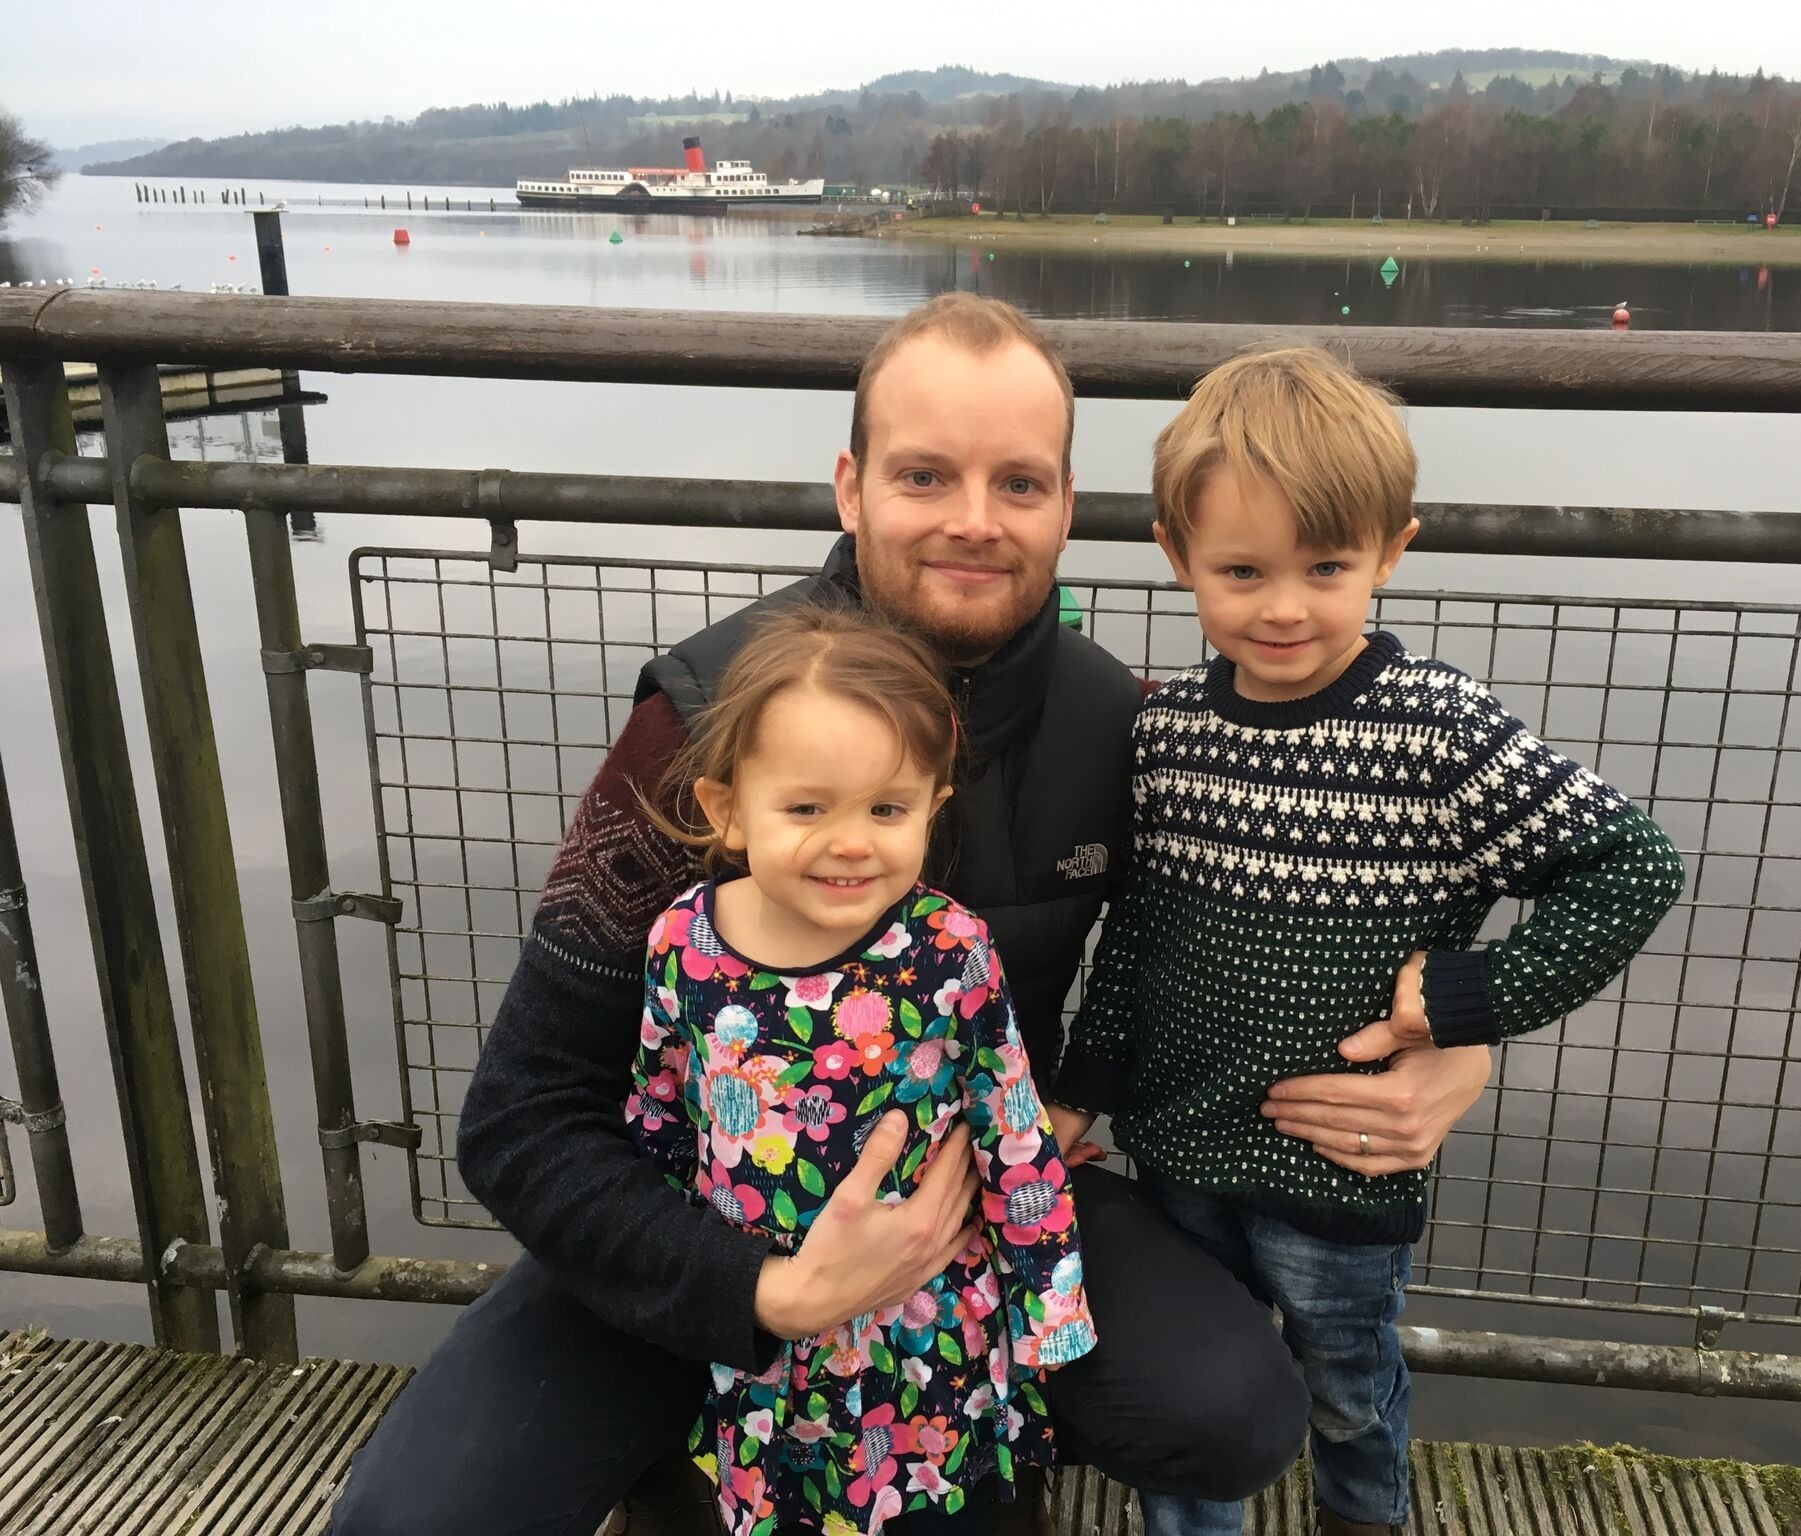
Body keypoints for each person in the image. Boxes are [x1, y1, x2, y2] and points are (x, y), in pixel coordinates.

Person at [330, 295, 1493, 1536]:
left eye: (1019, 483)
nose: (973, 522)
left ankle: (979, 1437)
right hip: (695, 1214)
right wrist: (761, 1290)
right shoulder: (698, 722)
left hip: (982, 1198)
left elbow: (1313, 892)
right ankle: (698, 1456)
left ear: (1065, 504)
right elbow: (521, 1117)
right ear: (849, 485)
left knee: (1229, 1416)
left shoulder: (1130, 731)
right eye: (925, 474)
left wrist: (1459, 1040)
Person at [1046, 348, 1687, 1536]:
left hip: (1343, 1169)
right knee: (1195, 1400)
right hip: (1179, 1148)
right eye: (1240, 570)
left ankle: (1363, 1519)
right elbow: (1134, 935)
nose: (1282, 606)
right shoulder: (1168, 733)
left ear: (1392, 549)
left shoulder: (1433, 729)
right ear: (1175, 556)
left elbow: (1628, 867)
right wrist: (1083, 1088)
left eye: (1326, 567)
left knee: (1347, 1384)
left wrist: (1461, 1004)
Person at [629, 605, 1093, 1536]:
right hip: (762, 1325)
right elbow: (660, 1107)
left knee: (939, 1506)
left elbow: (1010, 1123)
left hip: (924, 1331)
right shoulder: (684, 939)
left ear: (932, 808)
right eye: (806, 808)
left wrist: (1050, 1306)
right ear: (727, 809)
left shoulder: (949, 947)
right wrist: (667, 1290)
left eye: (887, 809)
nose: (851, 841)